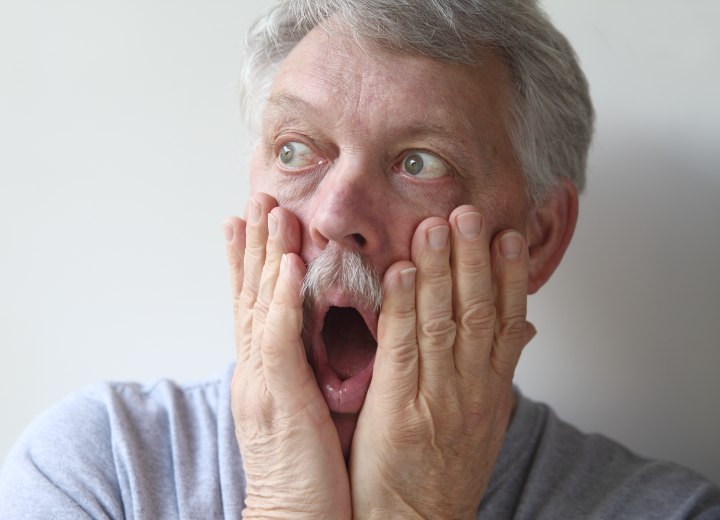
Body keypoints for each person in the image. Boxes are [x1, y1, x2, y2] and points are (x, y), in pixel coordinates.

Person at [1, 0, 718, 518]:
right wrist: (286, 506)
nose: (335, 215)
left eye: (419, 161)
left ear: (536, 238)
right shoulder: (98, 469)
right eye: (295, 149)